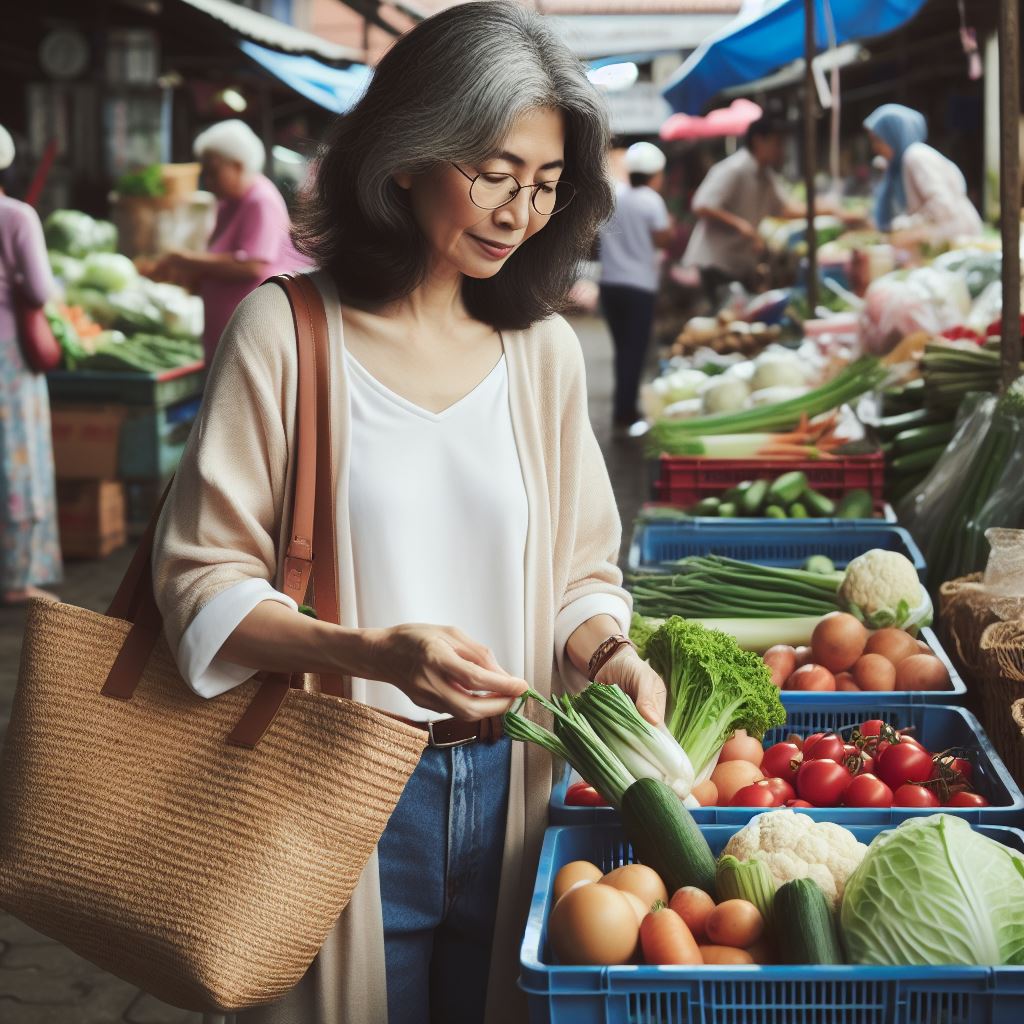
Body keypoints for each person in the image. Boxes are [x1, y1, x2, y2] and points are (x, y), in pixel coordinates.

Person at [150, 5, 666, 1023]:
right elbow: (200, 582)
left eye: (545, 184)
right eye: (496, 173)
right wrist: (371, 652)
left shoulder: (544, 356)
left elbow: (579, 575)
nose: (519, 212)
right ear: (404, 158)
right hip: (333, 787)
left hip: (519, 782)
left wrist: (609, 654)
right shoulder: (286, 333)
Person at [153, 119, 308, 363]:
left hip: (252, 334)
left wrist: (187, 260)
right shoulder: (227, 202)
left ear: (237, 166)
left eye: (213, 171)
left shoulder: (261, 200)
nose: (208, 180)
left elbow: (252, 265)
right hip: (225, 332)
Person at [0, 124, 62, 607]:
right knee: (17, 461)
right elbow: (41, 290)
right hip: (10, 359)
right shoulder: (17, 217)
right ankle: (17, 577)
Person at [682, 116, 803, 305]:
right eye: (777, 143)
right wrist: (740, 225)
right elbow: (701, 205)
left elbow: (785, 209)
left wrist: (831, 210)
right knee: (727, 314)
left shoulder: (766, 176)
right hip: (717, 263)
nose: (781, 150)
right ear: (759, 141)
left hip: (739, 265)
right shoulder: (735, 169)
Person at [598, 141, 673, 432]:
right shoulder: (651, 201)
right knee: (634, 350)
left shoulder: (614, 197)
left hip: (610, 284)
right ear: (656, 174)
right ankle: (625, 412)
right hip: (639, 286)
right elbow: (662, 239)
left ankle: (624, 406)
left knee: (622, 350)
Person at [863, 103, 983, 243]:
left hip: (960, 240)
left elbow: (942, 205)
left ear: (894, 136)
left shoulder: (916, 155)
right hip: (940, 242)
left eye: (878, 140)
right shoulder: (897, 168)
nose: (875, 148)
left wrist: (905, 225)